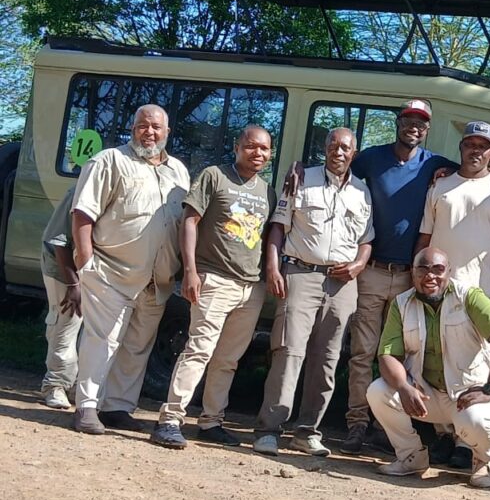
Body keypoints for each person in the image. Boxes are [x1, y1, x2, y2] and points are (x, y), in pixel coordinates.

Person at [339, 99, 459, 455]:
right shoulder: (370, 159)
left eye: (421, 123)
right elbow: (338, 169)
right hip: (372, 271)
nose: (415, 127)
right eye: (409, 119)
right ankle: (357, 425)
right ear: (398, 122)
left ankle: (387, 426)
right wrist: (299, 168)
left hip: (411, 279)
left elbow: (478, 166)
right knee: (362, 352)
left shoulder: (435, 164)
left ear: (427, 129)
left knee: (404, 356)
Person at [151, 126, 275, 449]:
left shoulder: (267, 191)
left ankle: (211, 421)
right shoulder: (213, 176)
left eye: (263, 149)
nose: (257, 153)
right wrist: (190, 271)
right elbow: (190, 222)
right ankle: (170, 419)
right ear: (237, 147)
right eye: (250, 147)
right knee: (199, 350)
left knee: (228, 359)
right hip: (213, 279)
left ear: (270, 153)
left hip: (251, 288)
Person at [252, 127, 373, 457]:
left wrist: (359, 266)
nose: (338, 152)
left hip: (342, 285)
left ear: (354, 154)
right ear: (325, 148)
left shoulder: (362, 193)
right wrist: (274, 268)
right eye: (333, 145)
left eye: (345, 148)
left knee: (328, 361)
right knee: (288, 353)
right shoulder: (301, 179)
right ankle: (269, 429)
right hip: (300, 274)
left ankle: (307, 432)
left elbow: (366, 241)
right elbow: (278, 228)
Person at [70, 104, 190, 435]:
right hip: (110, 271)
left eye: (155, 127)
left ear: (168, 133)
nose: (148, 132)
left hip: (157, 280)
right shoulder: (109, 161)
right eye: (142, 126)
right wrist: (86, 261)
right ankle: (87, 407)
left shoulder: (179, 171)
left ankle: (118, 408)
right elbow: (83, 214)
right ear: (132, 128)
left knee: (137, 345)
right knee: (103, 340)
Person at [416, 120, 490, 468]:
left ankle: (469, 444)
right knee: (439, 360)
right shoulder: (440, 185)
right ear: (461, 148)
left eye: (483, 146)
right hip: (436, 289)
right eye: (470, 144)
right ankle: (445, 435)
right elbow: (425, 238)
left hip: (480, 292)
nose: (476, 151)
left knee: (475, 369)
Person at [368, 246, 490, 488]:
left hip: (467, 395)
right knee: (378, 391)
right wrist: (404, 387)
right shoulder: (401, 303)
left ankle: (483, 460)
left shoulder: (469, 296)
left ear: (449, 272)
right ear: (413, 273)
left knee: (476, 422)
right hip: (425, 395)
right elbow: (387, 356)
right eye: (422, 270)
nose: (430, 276)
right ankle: (411, 457)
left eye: (438, 269)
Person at [38, 185, 81, 410]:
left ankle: (75, 383)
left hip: (94, 268)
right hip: (62, 264)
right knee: (66, 320)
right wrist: (74, 283)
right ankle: (55, 384)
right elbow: (58, 240)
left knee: (93, 328)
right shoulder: (78, 192)